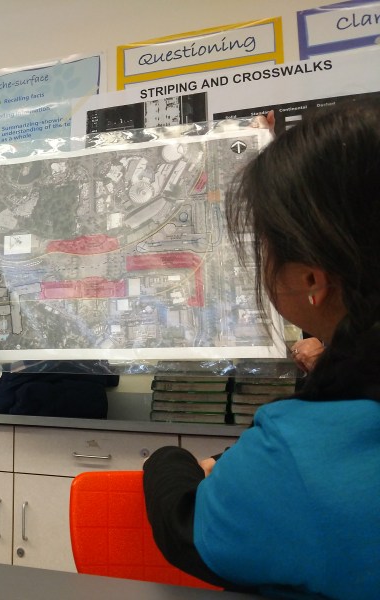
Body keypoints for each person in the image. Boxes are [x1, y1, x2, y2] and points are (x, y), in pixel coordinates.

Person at [142, 98, 380, 598]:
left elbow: (193, 532)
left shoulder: (306, 450)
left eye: (264, 246)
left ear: (311, 278)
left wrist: (169, 460)